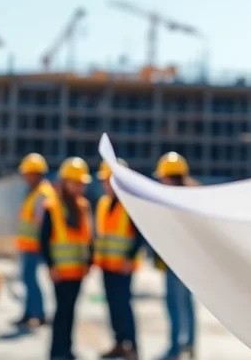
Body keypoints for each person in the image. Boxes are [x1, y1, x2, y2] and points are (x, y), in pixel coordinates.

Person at [40, 157, 93, 360]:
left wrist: (89, 262)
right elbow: (43, 241)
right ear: (65, 183)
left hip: (77, 271)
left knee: (70, 313)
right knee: (61, 313)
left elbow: (88, 238)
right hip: (61, 271)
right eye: (76, 183)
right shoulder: (52, 207)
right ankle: (57, 352)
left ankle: (67, 350)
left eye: (81, 183)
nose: (79, 187)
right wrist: (51, 266)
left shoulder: (83, 207)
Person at [94, 159, 146, 360]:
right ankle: (119, 343)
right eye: (104, 181)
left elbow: (139, 235)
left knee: (124, 307)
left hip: (123, 267)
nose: (105, 185)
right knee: (113, 306)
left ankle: (131, 347)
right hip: (107, 265)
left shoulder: (129, 205)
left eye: (108, 180)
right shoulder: (104, 204)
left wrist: (129, 258)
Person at [154, 152, 198, 360]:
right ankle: (188, 345)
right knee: (186, 304)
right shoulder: (192, 198)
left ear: (171, 178)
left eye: (163, 177)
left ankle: (175, 349)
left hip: (177, 262)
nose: (161, 181)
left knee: (174, 304)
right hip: (188, 263)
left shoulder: (174, 202)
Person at [13, 152, 58, 330]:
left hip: (35, 245)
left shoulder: (42, 193)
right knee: (27, 279)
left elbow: (42, 223)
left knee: (30, 280)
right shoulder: (33, 192)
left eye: (27, 173)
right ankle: (29, 313)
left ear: (36, 174)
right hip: (28, 244)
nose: (25, 177)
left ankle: (38, 313)